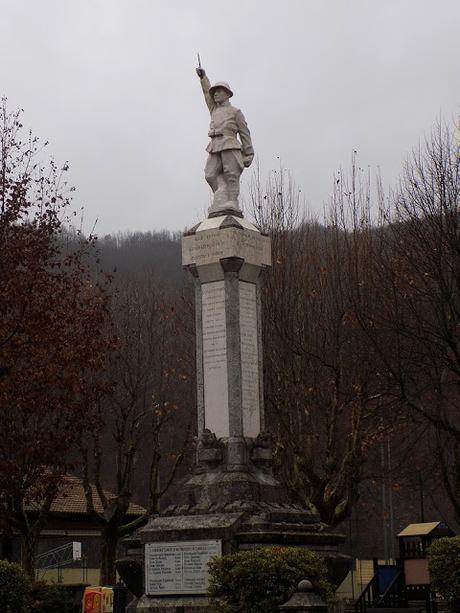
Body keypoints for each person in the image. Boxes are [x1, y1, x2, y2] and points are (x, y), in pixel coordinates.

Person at [196, 65, 254, 215]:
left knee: (231, 175)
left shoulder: (236, 112)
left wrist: (248, 153)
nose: (215, 94)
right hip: (214, 145)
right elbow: (206, 93)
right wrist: (203, 78)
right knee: (210, 174)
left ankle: (232, 201)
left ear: (227, 94)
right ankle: (221, 195)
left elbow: (244, 133)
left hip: (229, 145)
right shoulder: (214, 109)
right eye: (214, 92)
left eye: (219, 91)